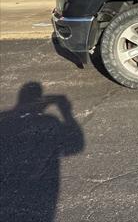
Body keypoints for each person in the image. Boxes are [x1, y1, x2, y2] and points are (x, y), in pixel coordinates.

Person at [0, 82, 84, 222]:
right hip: (39, 194)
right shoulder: (50, 121)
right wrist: (66, 111)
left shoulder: (4, 121)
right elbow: (76, 146)